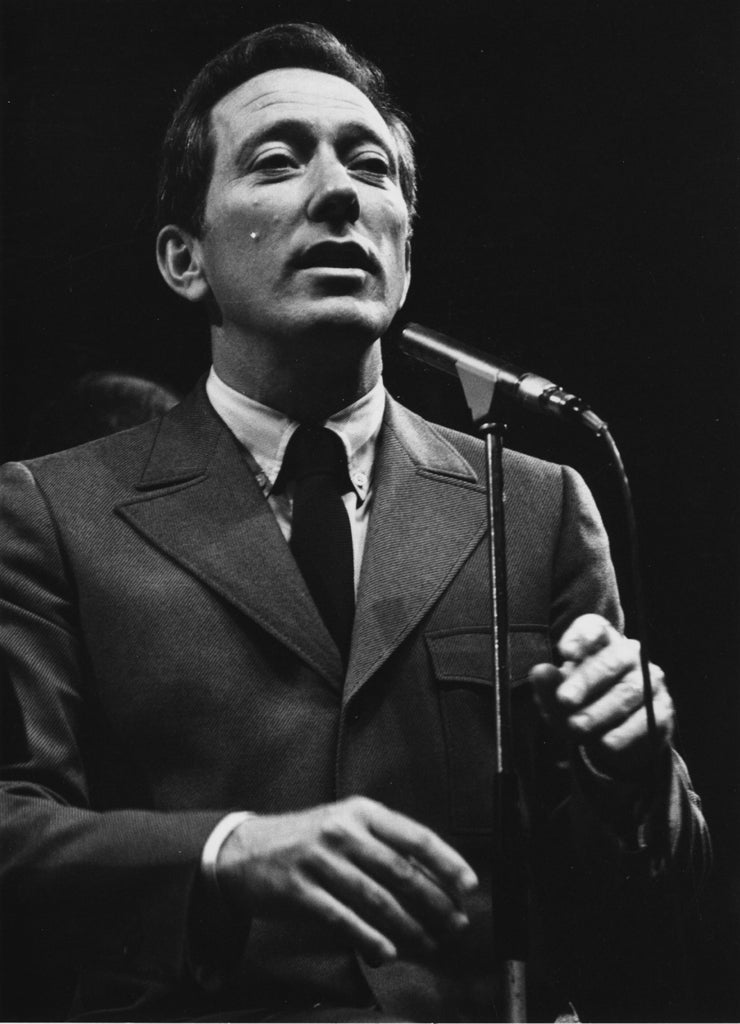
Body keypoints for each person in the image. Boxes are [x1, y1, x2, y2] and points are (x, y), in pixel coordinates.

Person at [0, 22, 709, 1022]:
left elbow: (637, 899)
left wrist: (632, 774)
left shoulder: (540, 503)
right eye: (278, 160)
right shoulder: (49, 509)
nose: (338, 192)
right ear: (182, 258)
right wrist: (226, 848)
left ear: (404, 244)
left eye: (368, 164)